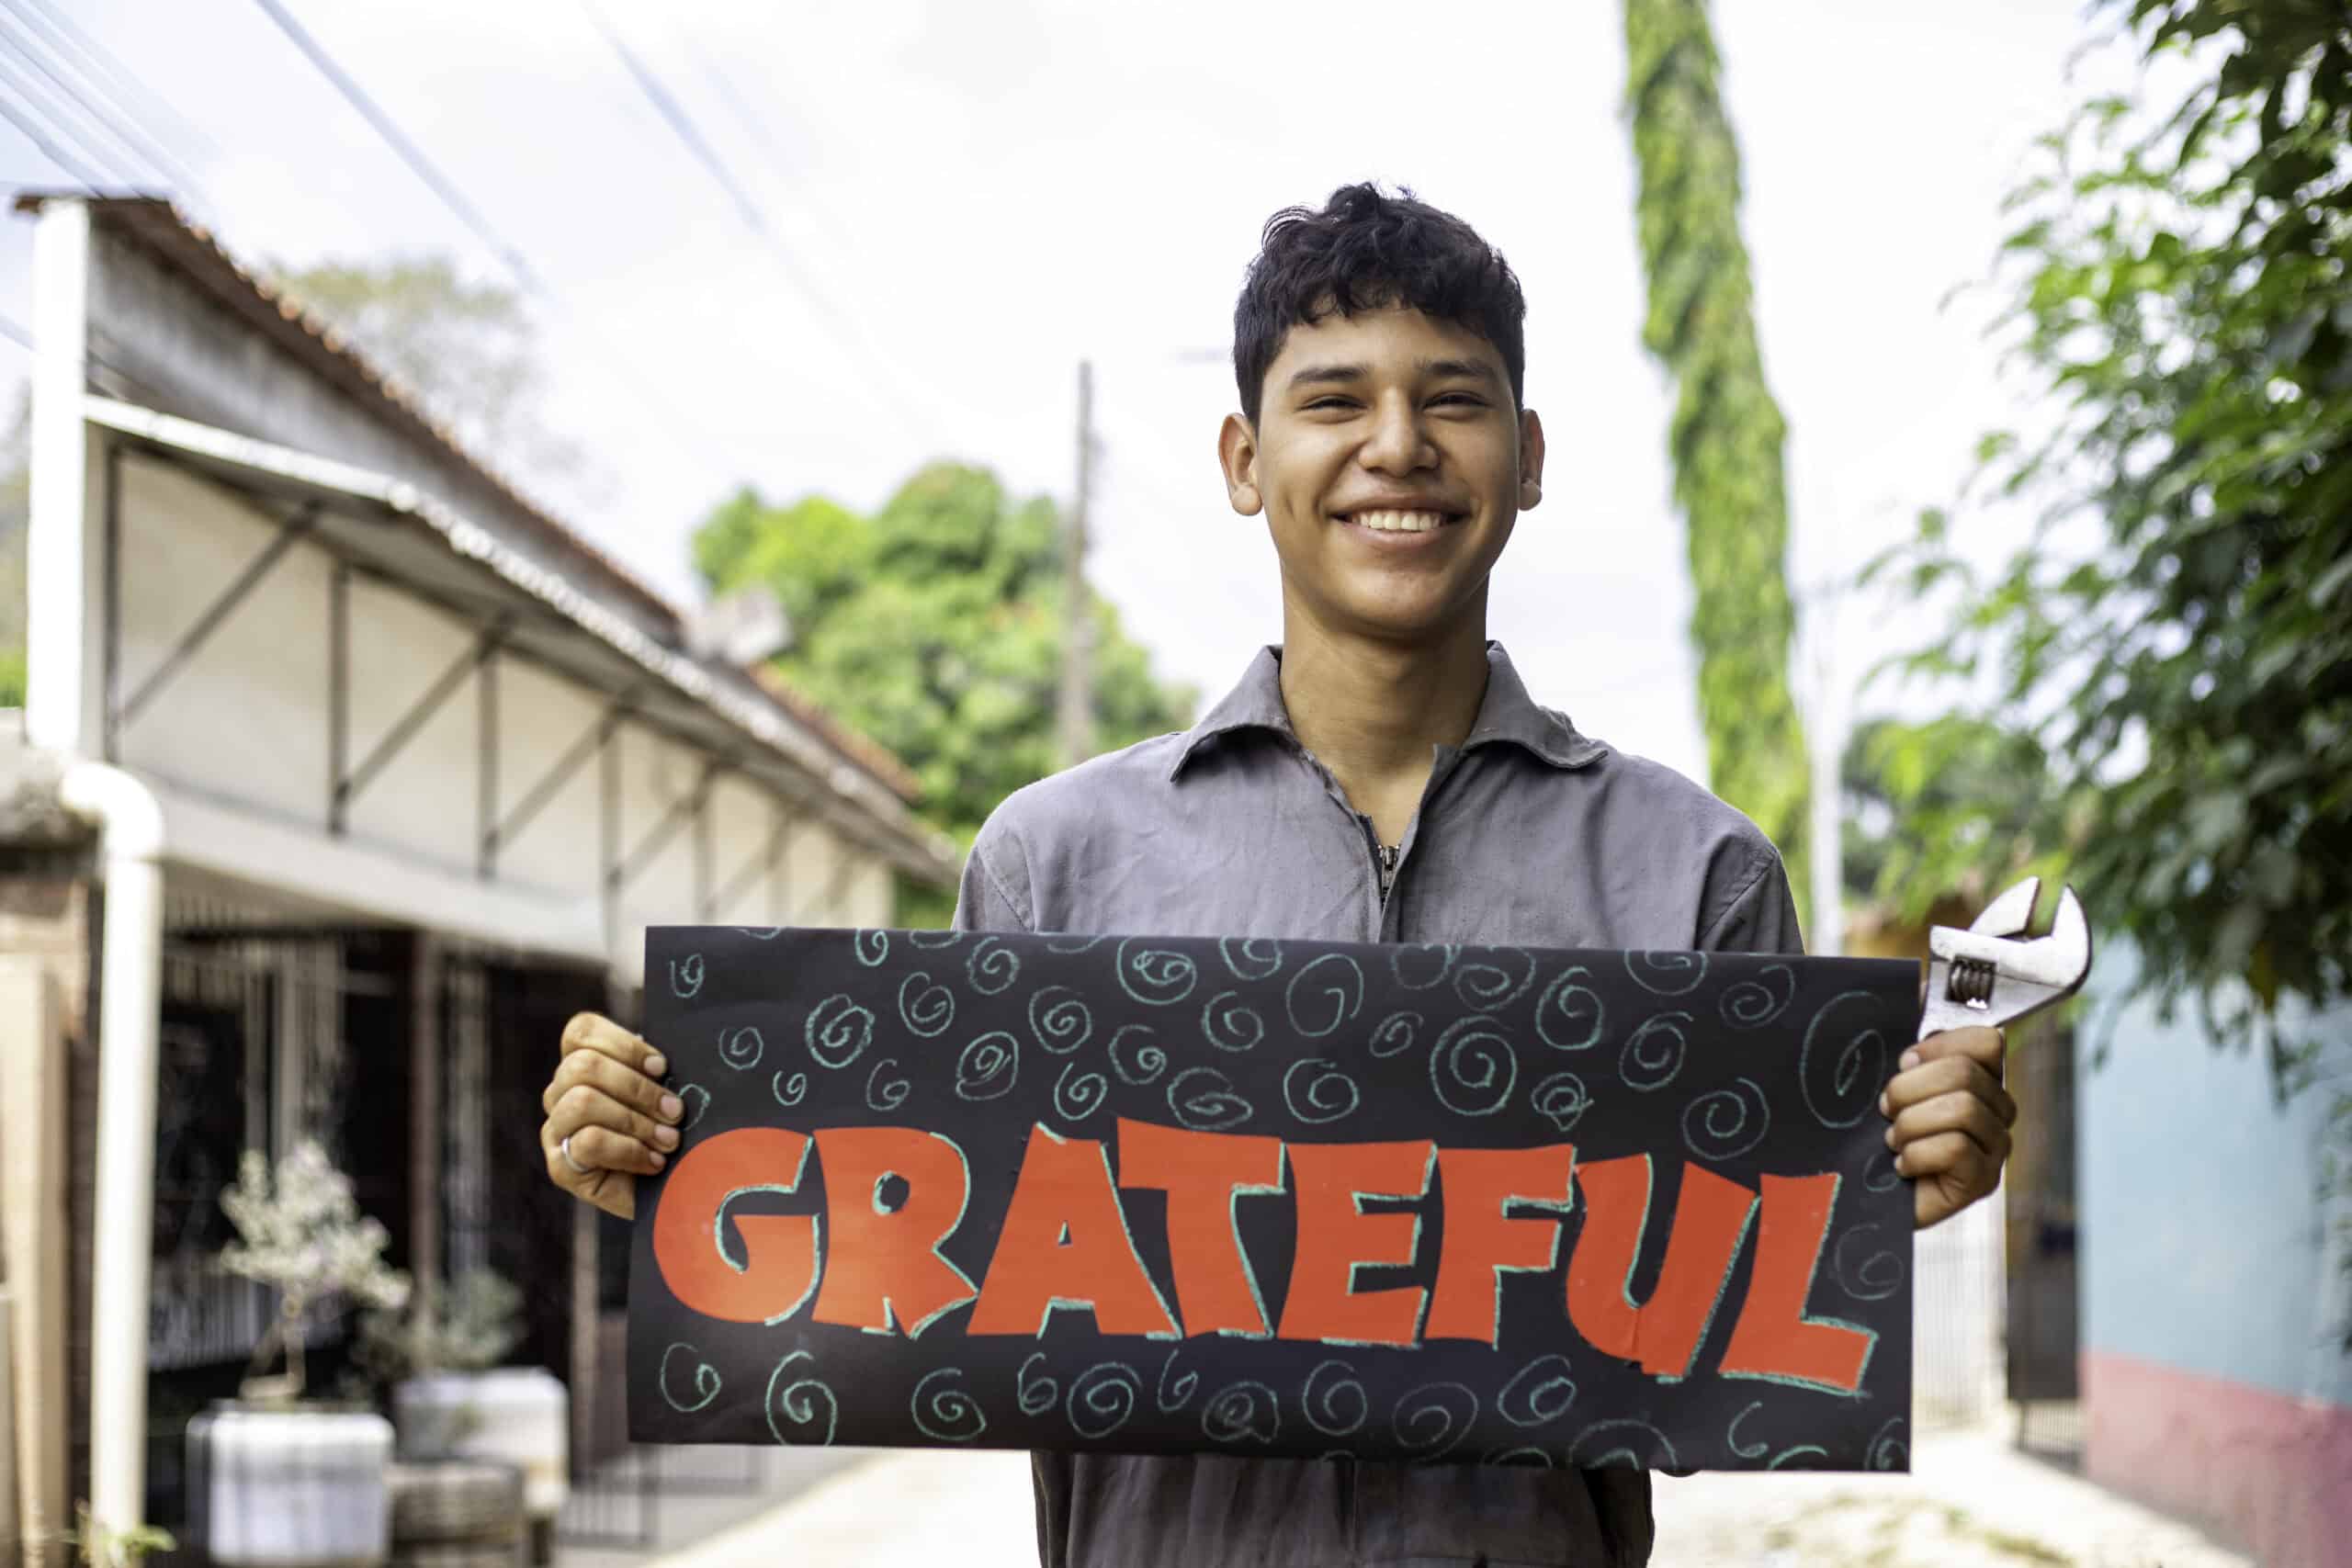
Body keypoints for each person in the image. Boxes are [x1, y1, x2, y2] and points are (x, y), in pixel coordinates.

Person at [538, 183, 2016, 1568]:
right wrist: (676, 1158)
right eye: (1333, 401)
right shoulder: (1055, 860)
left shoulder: (1694, 870)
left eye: (1453, 400)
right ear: (1246, 463)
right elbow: (917, 1257)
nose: (1397, 446)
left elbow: (1742, 1307)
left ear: (1531, 455)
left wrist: (1896, 1174)